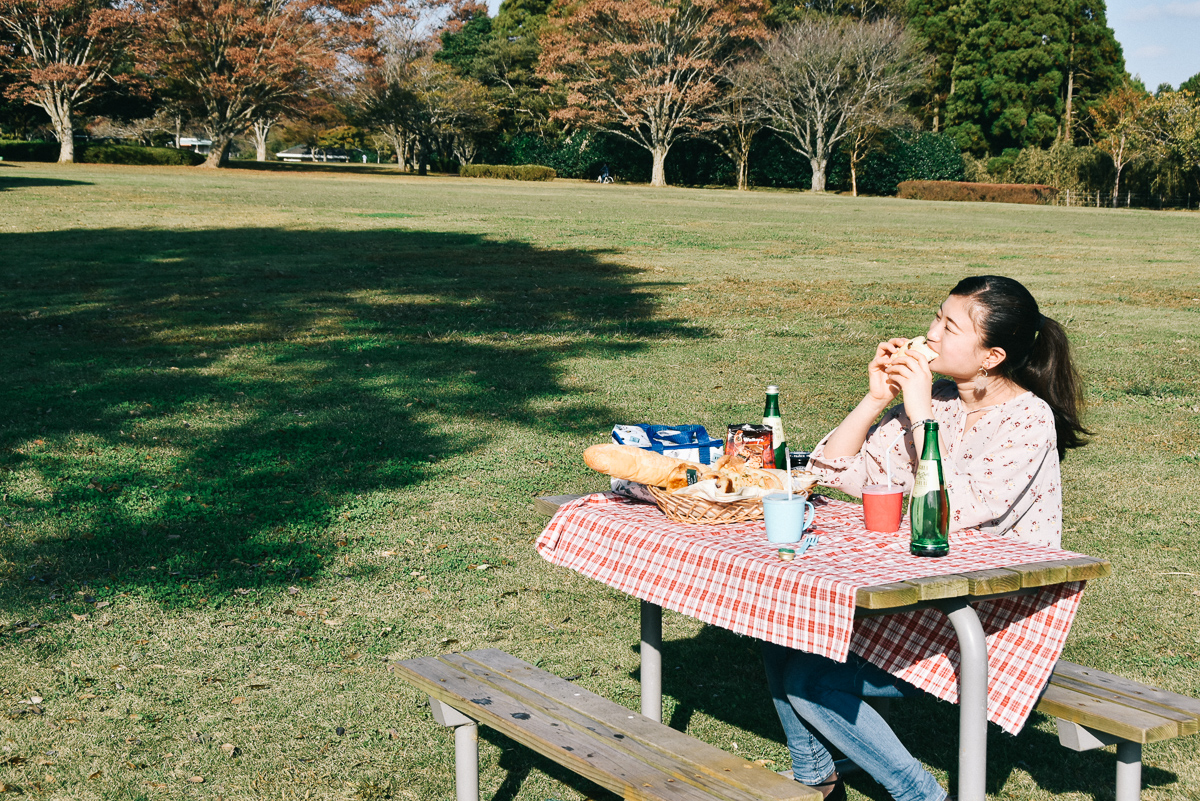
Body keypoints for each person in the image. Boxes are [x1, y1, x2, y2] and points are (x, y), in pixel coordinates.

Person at [765, 275, 1088, 801]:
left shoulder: (1028, 420)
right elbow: (833, 472)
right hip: (922, 588)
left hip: (991, 612)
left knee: (811, 679)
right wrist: (875, 400)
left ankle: (920, 795)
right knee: (781, 620)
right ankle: (816, 776)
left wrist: (920, 414)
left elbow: (953, 511)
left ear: (991, 356)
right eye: (936, 317)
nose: (930, 334)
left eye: (949, 326)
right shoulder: (940, 398)